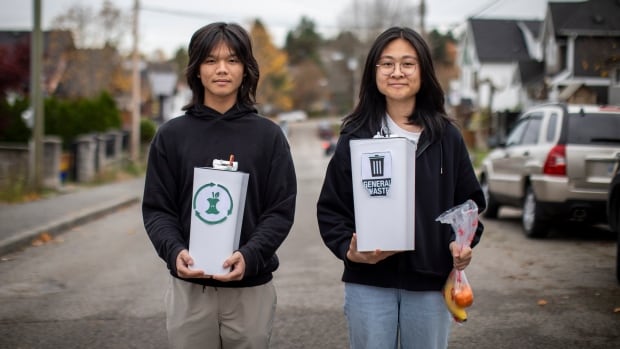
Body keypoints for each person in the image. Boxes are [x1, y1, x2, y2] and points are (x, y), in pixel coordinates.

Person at [316, 26, 486, 349]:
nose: (397, 72)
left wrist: (460, 244)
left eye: (408, 64)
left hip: (429, 284)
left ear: (423, 71)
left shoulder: (446, 137)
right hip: (368, 283)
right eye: (387, 63)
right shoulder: (356, 136)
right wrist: (348, 250)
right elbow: (331, 209)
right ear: (374, 72)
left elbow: (469, 205)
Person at [142, 22, 297, 349]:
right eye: (211, 60)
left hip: (251, 290)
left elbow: (280, 211)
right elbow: (158, 210)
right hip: (190, 291)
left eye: (233, 60)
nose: (222, 69)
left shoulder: (269, 137)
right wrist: (174, 252)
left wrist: (250, 256)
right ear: (196, 70)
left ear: (246, 69)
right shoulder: (171, 137)